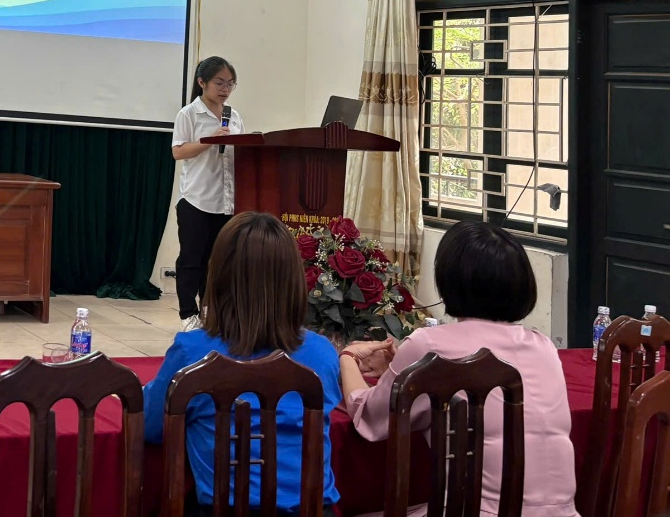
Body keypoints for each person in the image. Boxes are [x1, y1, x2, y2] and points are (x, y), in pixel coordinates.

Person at [340, 221, 577, 517]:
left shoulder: (429, 345)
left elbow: (370, 419)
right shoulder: (544, 347)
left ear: (448, 281)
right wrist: (404, 370)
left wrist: (348, 357)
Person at [144, 212, 342, 516]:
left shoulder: (192, 352)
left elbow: (151, 428)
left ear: (219, 276)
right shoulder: (322, 353)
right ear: (293, 280)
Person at [171, 56, 243, 319]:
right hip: (196, 200)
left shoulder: (233, 116)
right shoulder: (189, 113)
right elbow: (178, 152)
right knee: (192, 261)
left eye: (230, 84)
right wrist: (209, 140)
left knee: (219, 263)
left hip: (227, 201)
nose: (225, 89)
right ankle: (188, 315)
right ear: (202, 82)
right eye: (219, 83)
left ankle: (210, 313)